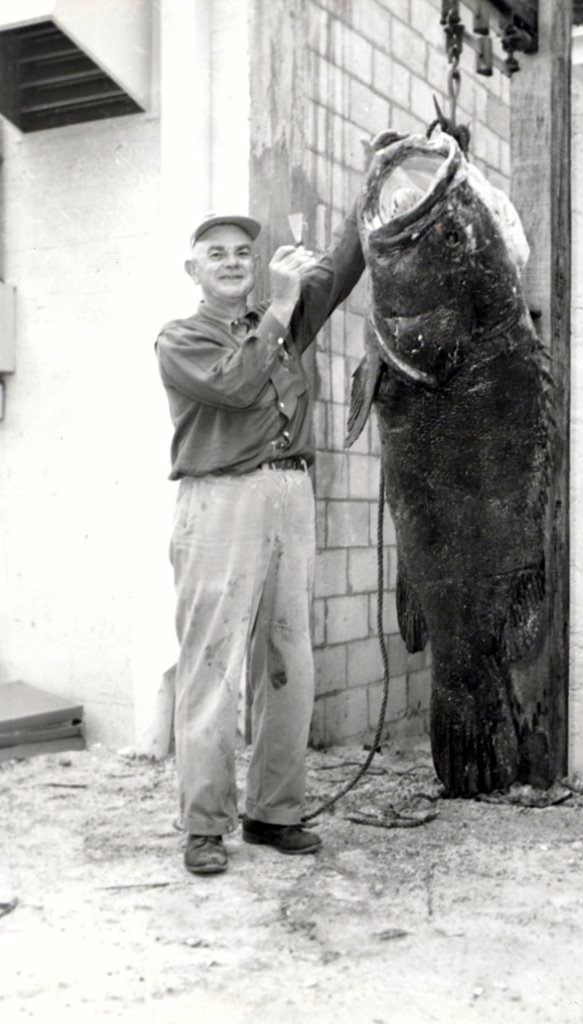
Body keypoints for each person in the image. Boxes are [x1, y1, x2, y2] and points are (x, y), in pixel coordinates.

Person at [155, 204, 364, 874]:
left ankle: (274, 812)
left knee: (288, 658)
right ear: (193, 269)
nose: (231, 262)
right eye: (215, 252)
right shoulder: (179, 338)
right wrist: (279, 305)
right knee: (212, 664)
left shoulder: (278, 321)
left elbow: (335, 272)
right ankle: (204, 825)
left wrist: (378, 185)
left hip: (290, 493)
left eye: (242, 251)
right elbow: (239, 386)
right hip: (220, 498)